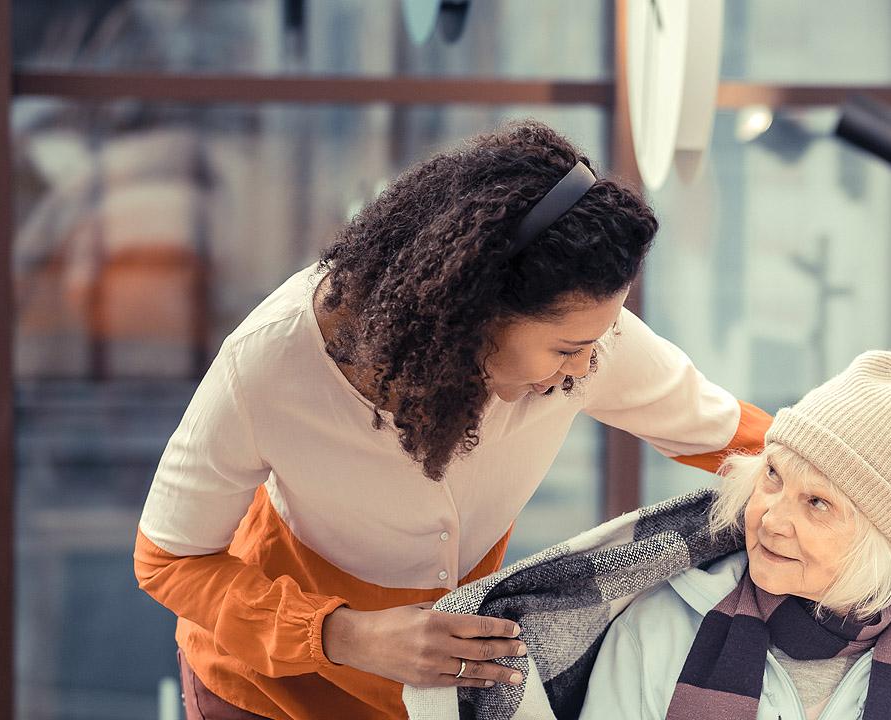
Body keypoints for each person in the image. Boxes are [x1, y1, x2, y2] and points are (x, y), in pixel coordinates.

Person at [134, 121, 772, 720]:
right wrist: (346, 634)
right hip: (262, 690)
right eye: (566, 350)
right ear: (474, 312)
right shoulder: (271, 362)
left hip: (432, 698)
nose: (585, 368)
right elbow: (168, 560)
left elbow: (737, 438)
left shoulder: (587, 342)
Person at [579, 351, 891, 720]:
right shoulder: (655, 634)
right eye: (773, 475)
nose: (772, 520)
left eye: (817, 503)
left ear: (878, 540)